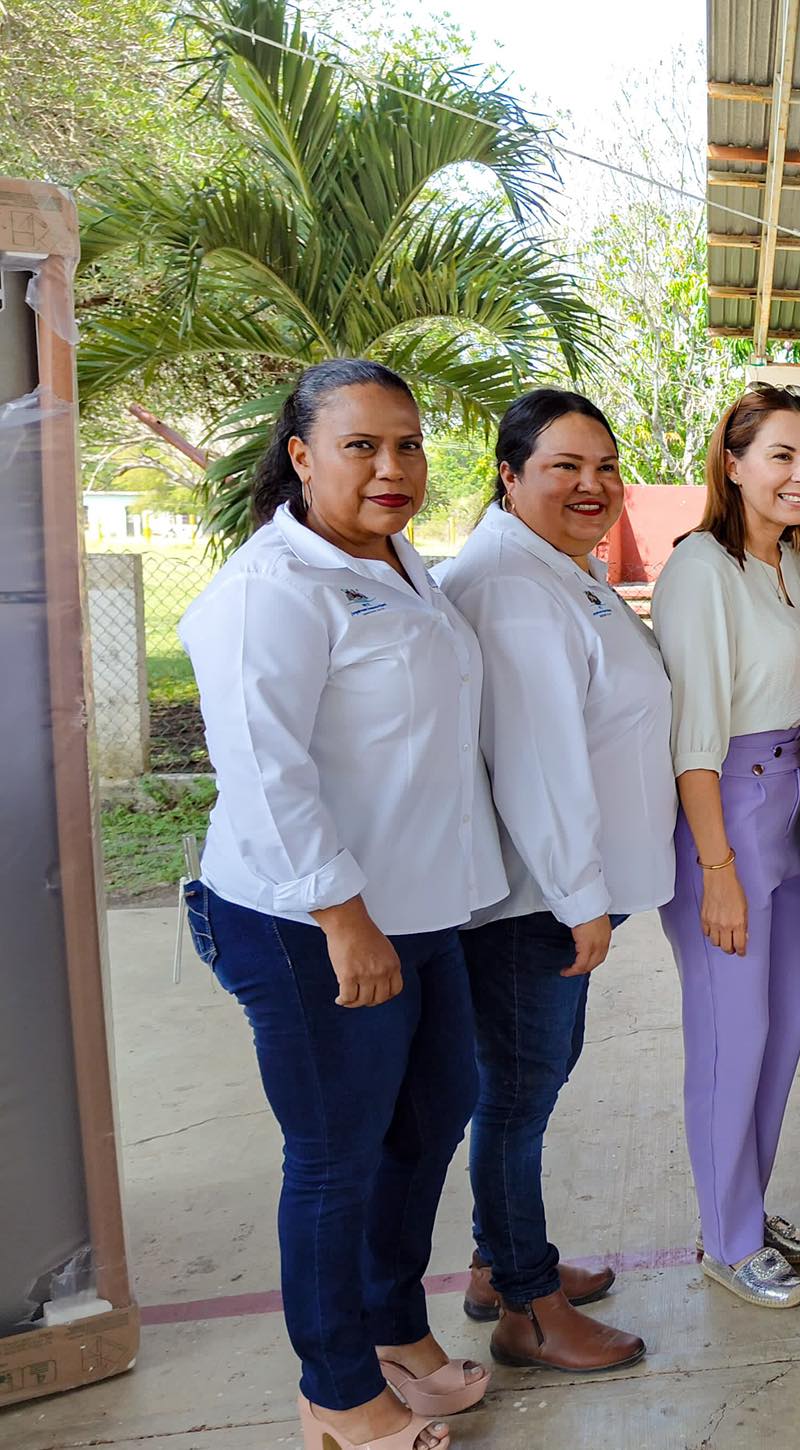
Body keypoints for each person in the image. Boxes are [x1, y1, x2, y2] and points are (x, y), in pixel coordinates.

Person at [179, 360, 505, 1450]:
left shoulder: (397, 558)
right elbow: (266, 768)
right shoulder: (271, 586)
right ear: (302, 456)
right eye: (360, 446)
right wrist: (340, 915)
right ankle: (334, 1386)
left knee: (430, 1115)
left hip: (424, 908)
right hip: (307, 922)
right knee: (335, 1153)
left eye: (406, 443)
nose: (391, 467)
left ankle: (392, 1326)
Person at [437, 389, 671, 1371]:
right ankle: (527, 1307)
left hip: (561, 891)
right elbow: (538, 764)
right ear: (508, 472)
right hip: (538, 899)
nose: (592, 485)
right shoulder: (510, 587)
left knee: (524, 1083)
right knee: (521, 1094)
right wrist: (579, 898)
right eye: (563, 467)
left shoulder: (552, 570)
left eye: (604, 467)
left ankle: (501, 1259)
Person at [651, 382, 800, 1309]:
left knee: (788, 1020)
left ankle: (746, 1206)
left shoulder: (789, 562)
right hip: (726, 813)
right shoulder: (699, 571)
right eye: (780, 457)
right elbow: (692, 746)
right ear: (733, 463)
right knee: (733, 1033)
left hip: (789, 808)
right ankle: (726, 1236)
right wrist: (717, 871)